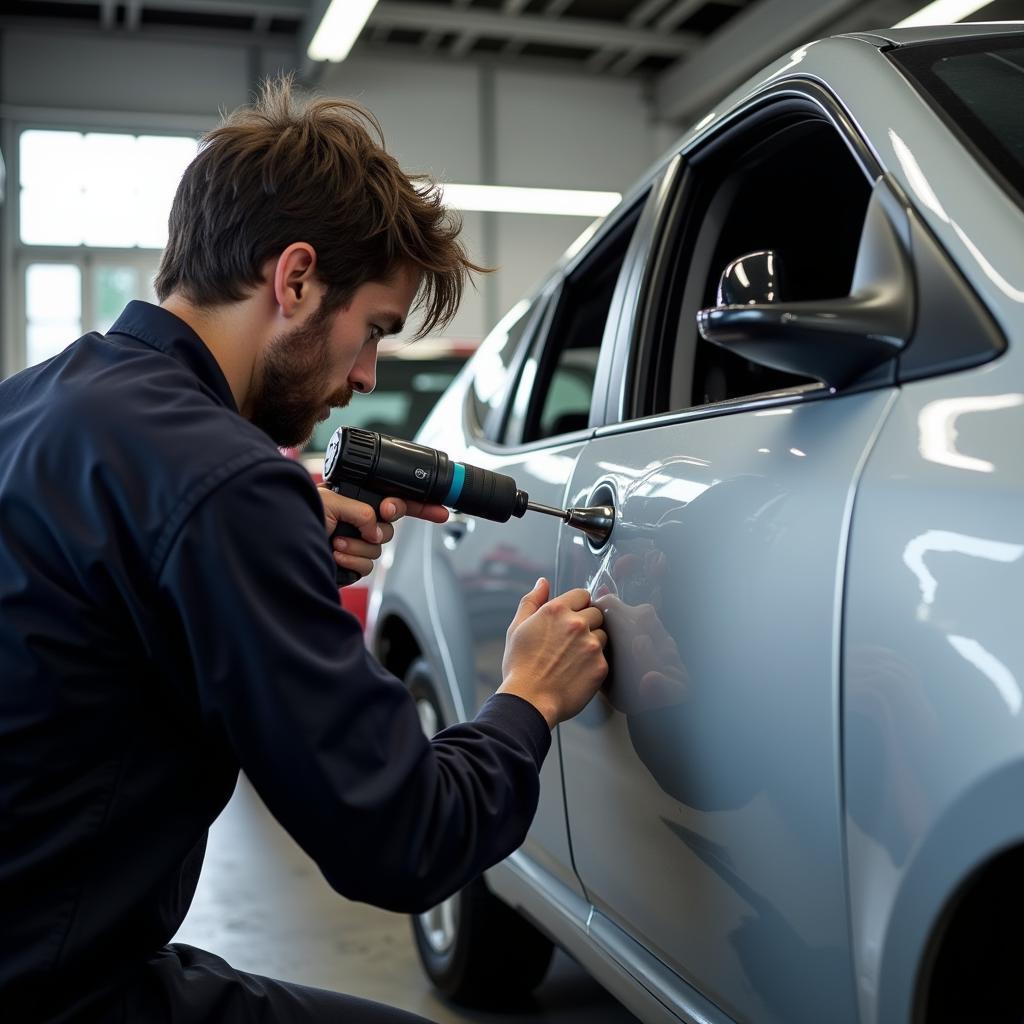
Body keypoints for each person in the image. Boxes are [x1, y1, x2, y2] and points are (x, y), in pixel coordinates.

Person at [0, 77, 608, 1023]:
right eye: (372, 331)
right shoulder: (228, 482)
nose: (364, 376)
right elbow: (401, 840)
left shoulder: (35, 404)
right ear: (294, 280)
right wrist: (527, 702)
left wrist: (246, 556)